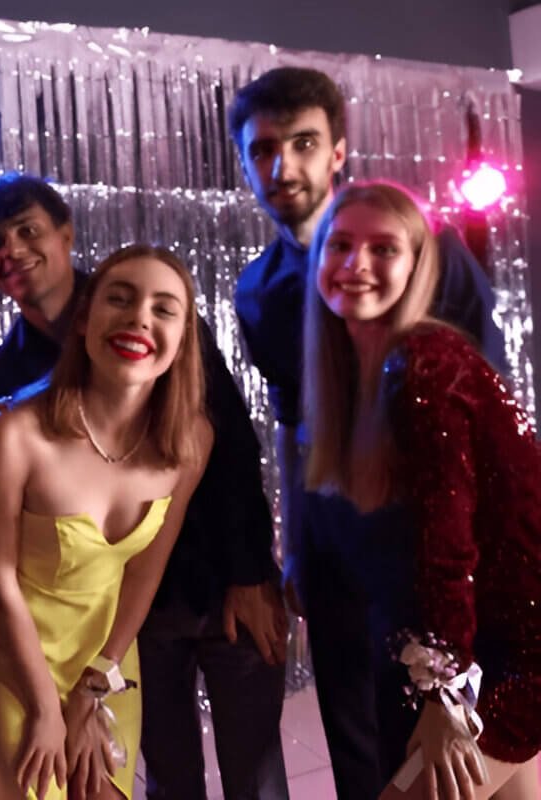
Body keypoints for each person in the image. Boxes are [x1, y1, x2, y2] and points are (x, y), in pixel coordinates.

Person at [0, 173, 288, 799]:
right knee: (165, 775)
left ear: (65, 234)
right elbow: (0, 558)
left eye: (27, 230)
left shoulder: (151, 307)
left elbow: (235, 453)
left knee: (254, 771)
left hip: (202, 583)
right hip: (105, 623)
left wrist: (250, 574)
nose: (13, 251)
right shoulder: (9, 381)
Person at [229, 66, 505, 799]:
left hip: (430, 537)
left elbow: (491, 411)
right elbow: (291, 421)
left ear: (338, 151)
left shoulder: (429, 248)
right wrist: (296, 543)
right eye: (262, 149)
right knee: (352, 737)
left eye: (302, 143)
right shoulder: (257, 288)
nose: (281, 167)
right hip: (331, 535)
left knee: (444, 745)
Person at [301, 180, 539, 799]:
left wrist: (445, 694)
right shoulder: (360, 377)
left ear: (416, 266)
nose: (356, 264)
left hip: (518, 654)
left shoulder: (426, 366)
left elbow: (446, 544)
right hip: (498, 645)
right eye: (340, 245)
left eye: (383, 249)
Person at [0, 244, 214, 800]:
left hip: (105, 654)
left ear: (182, 339)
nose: (139, 318)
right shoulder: (16, 435)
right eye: (119, 299)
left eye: (163, 309)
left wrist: (96, 680)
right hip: (15, 653)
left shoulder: (191, 441)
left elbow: (145, 571)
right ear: (84, 320)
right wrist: (44, 707)